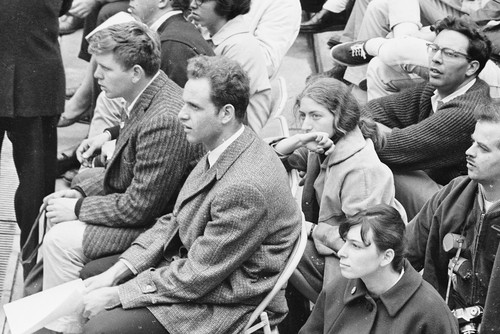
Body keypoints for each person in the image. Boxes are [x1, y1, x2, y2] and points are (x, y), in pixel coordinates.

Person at [71, 55, 302, 334]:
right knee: (94, 275)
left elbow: (199, 275)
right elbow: (175, 220)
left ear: (226, 113)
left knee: (100, 327)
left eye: (194, 107)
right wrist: (118, 272)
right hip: (197, 273)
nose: (181, 114)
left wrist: (119, 294)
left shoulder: (245, 188)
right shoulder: (226, 145)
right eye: (184, 103)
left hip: (222, 303)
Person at [40, 21, 203, 333]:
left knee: (60, 241)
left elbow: (140, 208)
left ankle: (63, 327)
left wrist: (78, 208)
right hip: (150, 214)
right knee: (62, 208)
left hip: (161, 231)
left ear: (136, 73)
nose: (97, 75)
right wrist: (81, 193)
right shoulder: (149, 95)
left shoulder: (163, 120)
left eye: (104, 68)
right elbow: (127, 177)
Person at [271, 77, 406, 332]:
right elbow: (275, 158)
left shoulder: (362, 170)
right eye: (302, 115)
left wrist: (309, 229)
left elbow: (360, 241)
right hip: (326, 249)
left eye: (316, 116)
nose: (306, 125)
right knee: (274, 245)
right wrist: (299, 141)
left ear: (340, 118)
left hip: (349, 264)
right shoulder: (323, 144)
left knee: (275, 246)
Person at [361, 16, 492, 219]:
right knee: (356, 142)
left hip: (455, 208)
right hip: (432, 187)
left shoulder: (466, 112)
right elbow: (374, 109)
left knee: (372, 161)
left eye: (449, 53)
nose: (436, 58)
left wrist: (367, 128)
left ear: (472, 67)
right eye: (434, 48)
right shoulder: (436, 89)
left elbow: (391, 147)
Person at [406, 103, 500, 333]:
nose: (469, 151)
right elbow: (403, 251)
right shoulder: (454, 193)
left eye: (483, 148)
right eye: (472, 141)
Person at [299, 204, 459, 333]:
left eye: (355, 246)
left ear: (386, 257)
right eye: (345, 242)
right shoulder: (337, 288)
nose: (341, 252)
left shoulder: (431, 314)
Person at [0, 0, 71, 278]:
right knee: (36, 179)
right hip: (38, 79)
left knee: (35, 181)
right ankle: (31, 261)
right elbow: (63, 7)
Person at [189, 0, 271, 133]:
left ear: (225, 4)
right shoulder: (216, 37)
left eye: (201, 1)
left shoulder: (240, 46)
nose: (192, 5)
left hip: (240, 135)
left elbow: (219, 102)